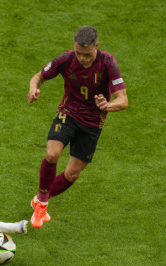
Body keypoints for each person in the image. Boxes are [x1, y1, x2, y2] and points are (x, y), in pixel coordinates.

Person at [26, 25, 128, 228]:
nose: (82, 59)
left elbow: (123, 100)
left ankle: (39, 199)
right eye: (79, 53)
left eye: (87, 54)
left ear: (96, 46)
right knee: (52, 154)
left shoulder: (108, 63)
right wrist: (33, 88)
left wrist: (108, 105)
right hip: (68, 113)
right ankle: (43, 205)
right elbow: (38, 76)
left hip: (92, 122)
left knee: (72, 174)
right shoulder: (65, 59)